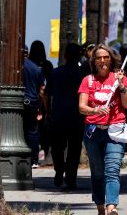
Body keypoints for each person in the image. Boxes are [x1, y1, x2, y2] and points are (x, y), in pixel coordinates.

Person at [78, 44, 127, 215]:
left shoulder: (120, 78)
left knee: (112, 170)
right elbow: (81, 107)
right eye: (99, 58)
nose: (102, 60)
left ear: (111, 60)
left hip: (115, 131)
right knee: (97, 172)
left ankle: (111, 207)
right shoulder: (88, 80)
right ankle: (100, 207)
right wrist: (95, 110)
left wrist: (121, 86)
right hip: (93, 132)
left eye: (106, 57)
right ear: (94, 61)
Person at [46, 43, 86, 189]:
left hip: (58, 115)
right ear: (79, 56)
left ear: (65, 55)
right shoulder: (83, 74)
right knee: (74, 150)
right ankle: (71, 178)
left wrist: (47, 111)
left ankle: (59, 169)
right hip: (77, 117)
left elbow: (47, 94)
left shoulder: (55, 72)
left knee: (57, 148)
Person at [28, 40, 54, 163]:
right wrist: (48, 108)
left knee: (32, 129)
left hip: (32, 100)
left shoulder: (28, 64)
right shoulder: (47, 65)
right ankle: (43, 152)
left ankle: (33, 154)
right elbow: (47, 87)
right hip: (44, 101)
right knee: (44, 129)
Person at [22, 45, 45, 168]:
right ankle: (34, 160)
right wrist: (40, 107)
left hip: (18, 101)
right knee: (32, 131)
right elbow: (42, 90)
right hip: (32, 102)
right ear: (28, 53)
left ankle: (23, 157)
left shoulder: (15, 66)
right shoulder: (36, 68)